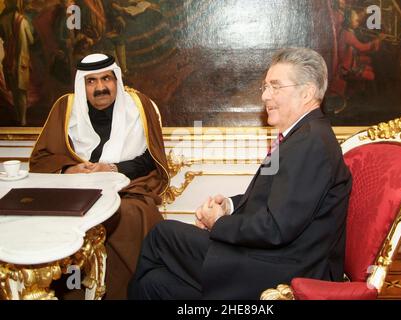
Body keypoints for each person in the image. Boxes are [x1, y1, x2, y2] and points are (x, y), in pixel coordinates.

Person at [128, 47, 352, 300]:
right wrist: (230, 207)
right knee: (155, 284)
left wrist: (218, 224)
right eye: (265, 87)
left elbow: (276, 228)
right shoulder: (303, 136)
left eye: (276, 86)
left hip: (285, 268)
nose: (266, 96)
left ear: (307, 92)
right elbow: (276, 203)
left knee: (161, 235)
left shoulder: (310, 143)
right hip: (275, 256)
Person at [29, 53, 170, 299]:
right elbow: (42, 158)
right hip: (73, 193)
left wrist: (114, 168)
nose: (100, 88)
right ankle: (70, 293)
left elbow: (152, 158)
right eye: (91, 81)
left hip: (127, 189)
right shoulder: (65, 108)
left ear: (116, 79)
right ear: (81, 85)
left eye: (106, 79)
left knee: (129, 215)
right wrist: (68, 169)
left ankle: (127, 292)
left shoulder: (138, 106)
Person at [0, 0, 34, 126]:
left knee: (15, 91)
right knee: (22, 92)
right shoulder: (23, 21)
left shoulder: (2, 20)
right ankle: (23, 119)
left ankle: (19, 118)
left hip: (9, 60)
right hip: (22, 61)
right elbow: (30, 40)